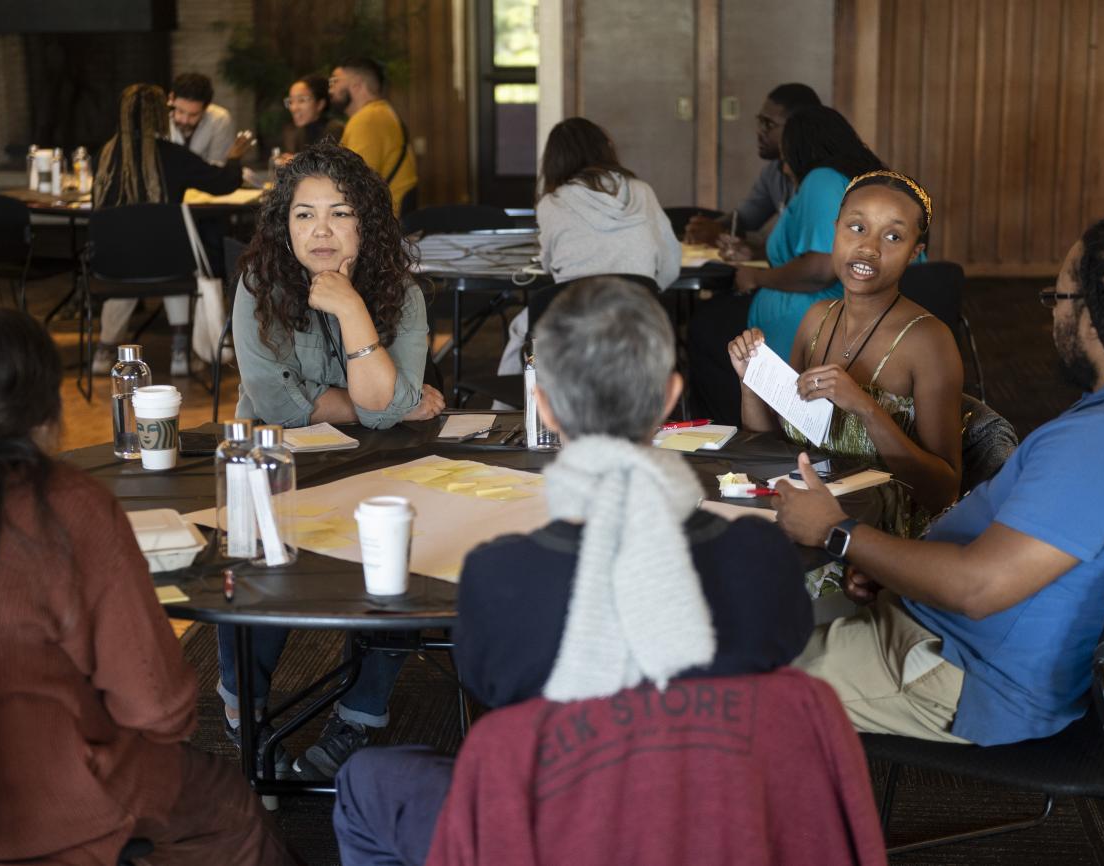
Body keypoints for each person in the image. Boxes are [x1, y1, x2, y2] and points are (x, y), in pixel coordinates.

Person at [331, 277, 831, 866]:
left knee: (365, 782)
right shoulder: (762, 556)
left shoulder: (498, 575)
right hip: (721, 830)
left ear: (543, 405)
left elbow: (493, 695)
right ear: (670, 397)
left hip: (553, 835)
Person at [0, 308, 295, 866]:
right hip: (51, 800)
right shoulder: (66, 507)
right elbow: (159, 710)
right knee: (229, 809)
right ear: (47, 410)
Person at [773, 213, 1104, 746]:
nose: (1052, 318)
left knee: (723, 674)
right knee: (759, 617)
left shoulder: (1100, 444)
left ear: (1095, 319)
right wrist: (891, 565)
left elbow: (978, 589)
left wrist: (837, 532)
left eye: (1058, 299)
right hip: (963, 637)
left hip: (961, 670)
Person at [221, 141, 444, 779]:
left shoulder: (400, 292)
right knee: (260, 560)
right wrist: (385, 402)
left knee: (401, 562)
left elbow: (382, 410)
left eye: (339, 213)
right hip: (276, 463)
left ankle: (359, 714)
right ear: (284, 225)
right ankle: (243, 708)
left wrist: (349, 306)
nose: (320, 230)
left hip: (383, 467)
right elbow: (278, 403)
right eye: (304, 214)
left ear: (364, 223)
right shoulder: (259, 286)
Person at [730, 170, 962, 541]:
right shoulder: (815, 320)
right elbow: (775, 452)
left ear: (914, 253)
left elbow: (944, 492)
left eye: (893, 236)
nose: (869, 248)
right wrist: (750, 383)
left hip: (882, 540)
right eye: (857, 228)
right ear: (835, 231)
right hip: (807, 523)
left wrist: (865, 408)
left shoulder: (928, 341)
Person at [689, 106, 889, 425]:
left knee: (706, 327)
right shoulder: (859, 178)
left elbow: (820, 268)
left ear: (800, 152)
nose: (783, 168)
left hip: (820, 312)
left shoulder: (822, 179)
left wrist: (757, 277)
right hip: (847, 309)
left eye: (785, 157)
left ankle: (730, 431)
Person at [496, 117, 680, 376]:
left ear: (554, 160)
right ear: (605, 148)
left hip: (574, 321)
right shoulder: (642, 191)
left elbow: (549, 265)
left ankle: (518, 398)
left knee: (521, 328)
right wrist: (644, 288)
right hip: (636, 317)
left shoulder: (552, 202)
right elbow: (671, 264)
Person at [90, 83, 252, 377]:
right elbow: (222, 183)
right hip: (169, 263)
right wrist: (234, 158)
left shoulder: (104, 156)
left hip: (113, 264)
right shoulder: (173, 155)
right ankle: (180, 350)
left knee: (132, 260)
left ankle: (105, 349)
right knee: (176, 259)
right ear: (159, 116)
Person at [683, 82, 822, 246]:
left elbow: (800, 247)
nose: (759, 131)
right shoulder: (773, 171)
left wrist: (724, 234)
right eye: (760, 121)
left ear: (798, 129)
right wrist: (710, 228)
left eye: (769, 124)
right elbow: (744, 219)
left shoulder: (821, 179)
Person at [328, 57, 417, 215]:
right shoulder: (381, 112)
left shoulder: (367, 119)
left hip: (382, 222)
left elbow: (354, 182)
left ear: (356, 85)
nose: (330, 90)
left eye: (335, 81)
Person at [168, 71, 237, 165]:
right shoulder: (158, 118)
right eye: (180, 111)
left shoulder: (219, 119)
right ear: (171, 98)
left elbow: (217, 165)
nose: (185, 120)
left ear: (206, 108)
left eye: (193, 115)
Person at [280, 73, 346, 157]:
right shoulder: (295, 133)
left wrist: (295, 160)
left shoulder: (335, 130)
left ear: (320, 104)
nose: (294, 108)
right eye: (291, 101)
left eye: (301, 100)